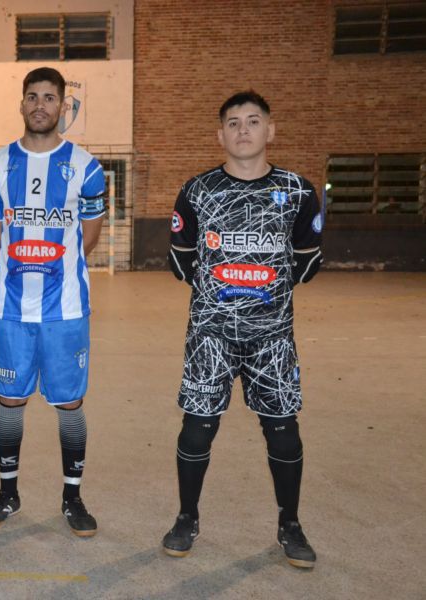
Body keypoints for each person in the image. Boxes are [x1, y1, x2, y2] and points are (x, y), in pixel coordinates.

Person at [163, 91, 323, 568]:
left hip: (272, 337)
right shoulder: (198, 190)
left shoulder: (297, 191)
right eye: (233, 123)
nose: (243, 130)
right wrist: (223, 297)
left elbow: (307, 263)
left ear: (270, 131)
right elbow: (180, 258)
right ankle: (186, 517)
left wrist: (260, 297)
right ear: (220, 135)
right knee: (197, 430)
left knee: (283, 434)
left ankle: (289, 524)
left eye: (253, 121)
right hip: (210, 334)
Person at [0, 67, 107, 537]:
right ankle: (7, 494)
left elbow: (88, 237)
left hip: (65, 312)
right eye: (32, 96)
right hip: (11, 310)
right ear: (22, 104)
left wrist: (54, 267)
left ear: (62, 107)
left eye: (49, 97)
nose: (39, 105)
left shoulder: (86, 166)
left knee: (69, 404)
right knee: (10, 400)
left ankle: (72, 498)